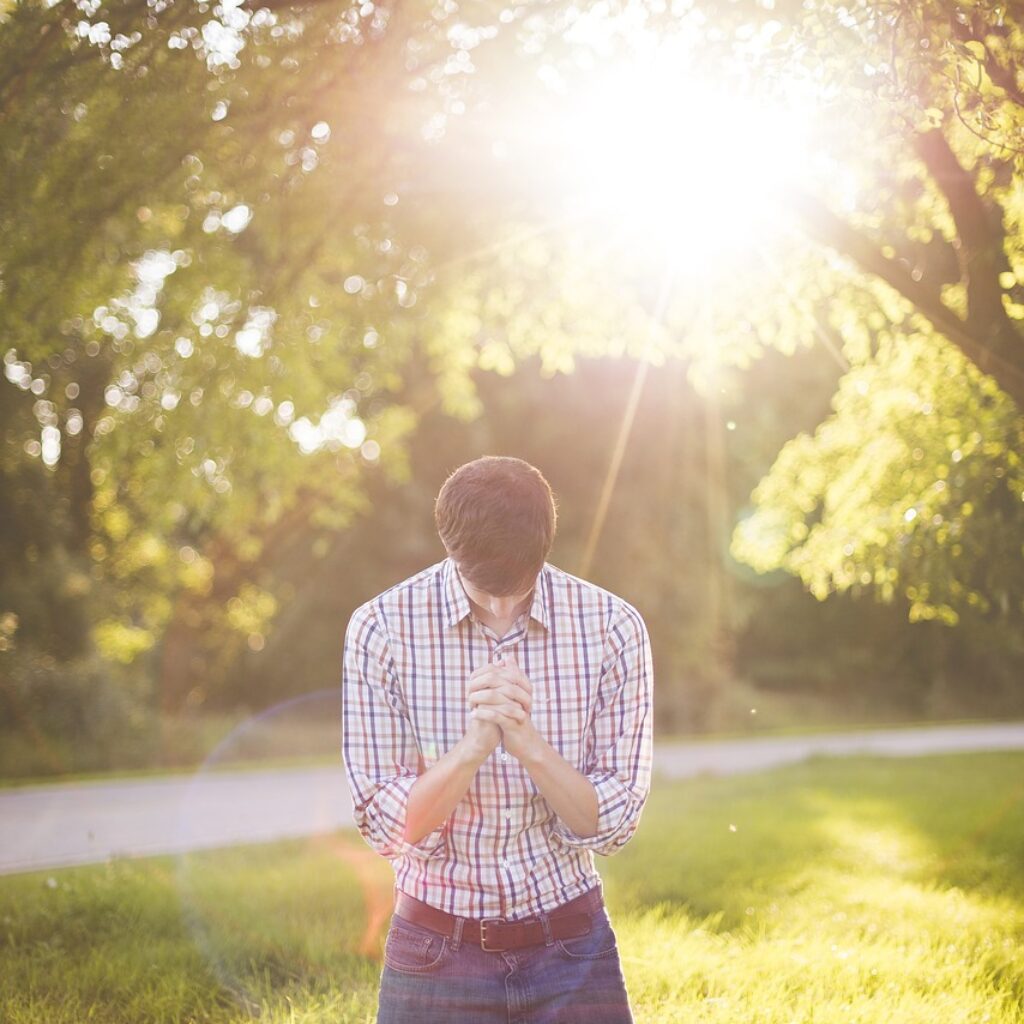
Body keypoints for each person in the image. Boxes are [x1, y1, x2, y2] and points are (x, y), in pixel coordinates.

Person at [341, 455, 654, 1024]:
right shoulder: (381, 628)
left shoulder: (613, 627)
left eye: (520, 586)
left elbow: (612, 825)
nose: (504, 608)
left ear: (547, 545)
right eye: (485, 589)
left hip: (571, 947)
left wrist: (530, 746)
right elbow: (387, 828)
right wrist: (472, 750)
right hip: (435, 948)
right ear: (450, 546)